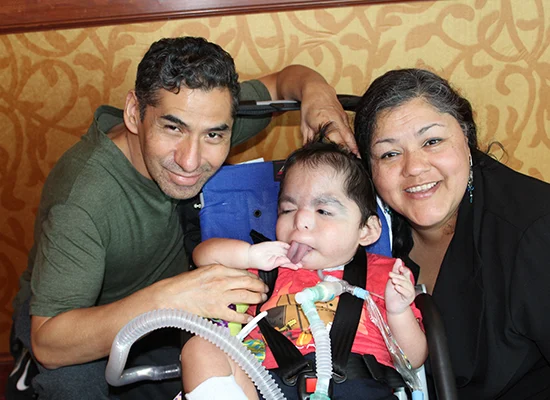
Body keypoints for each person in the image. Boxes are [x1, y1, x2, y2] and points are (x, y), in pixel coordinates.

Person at [8, 36, 356, 400]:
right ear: (133, 113)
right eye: (172, 128)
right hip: (79, 321)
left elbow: (287, 78)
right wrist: (171, 298)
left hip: (177, 309)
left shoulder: (209, 113)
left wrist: (316, 93)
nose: (190, 161)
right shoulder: (82, 200)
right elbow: (49, 341)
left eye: (214, 135)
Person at [180, 131, 427, 400]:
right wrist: (250, 256)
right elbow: (203, 257)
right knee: (200, 349)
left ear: (366, 230)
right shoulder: (267, 268)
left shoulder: (385, 275)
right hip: (268, 386)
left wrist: (398, 310)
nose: (301, 221)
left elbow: (413, 359)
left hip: (358, 386)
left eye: (323, 211)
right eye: (288, 210)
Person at [354, 68, 550, 399]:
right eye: (389, 153)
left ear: (467, 138)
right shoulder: (370, 231)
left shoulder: (534, 233)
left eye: (432, 141)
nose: (413, 167)